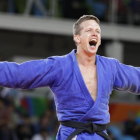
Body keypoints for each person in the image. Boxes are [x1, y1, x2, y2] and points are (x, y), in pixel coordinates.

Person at [0, 15, 140, 140]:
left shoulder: (110, 67)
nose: (95, 34)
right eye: (89, 30)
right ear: (77, 38)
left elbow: (137, 78)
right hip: (72, 135)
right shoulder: (59, 66)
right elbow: (19, 74)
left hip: (99, 136)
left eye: (97, 31)